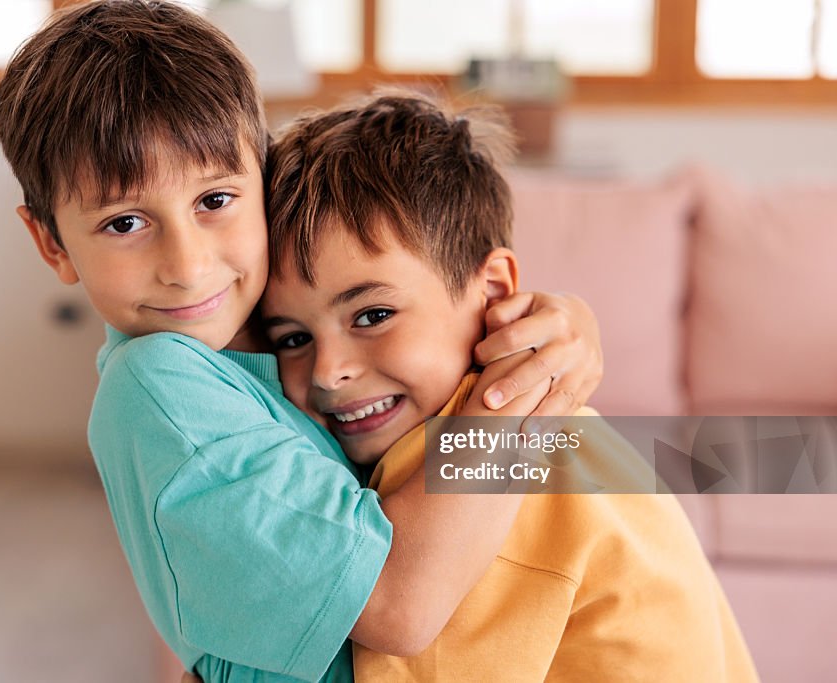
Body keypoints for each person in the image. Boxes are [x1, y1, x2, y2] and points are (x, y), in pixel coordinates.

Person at [0, 2, 605, 680]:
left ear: (261, 177)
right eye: (125, 221)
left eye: (214, 201)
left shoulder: (265, 345)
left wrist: (557, 331)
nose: (189, 264)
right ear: (51, 241)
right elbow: (401, 605)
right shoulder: (158, 385)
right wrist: (515, 396)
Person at [262, 93, 759, 681]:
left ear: (495, 290)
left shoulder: (465, 469)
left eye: (372, 316)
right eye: (292, 337)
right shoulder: (543, 425)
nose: (327, 371)